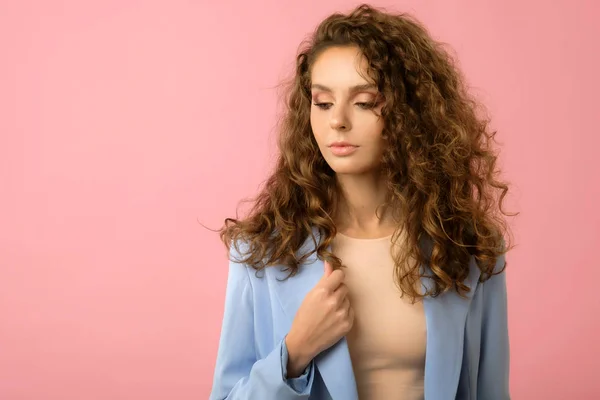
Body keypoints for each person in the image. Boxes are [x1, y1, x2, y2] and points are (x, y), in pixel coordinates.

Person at [209, 3, 513, 400]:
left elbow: (491, 392)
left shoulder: (467, 246)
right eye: (323, 102)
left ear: (411, 113)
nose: (338, 120)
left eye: (365, 101)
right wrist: (294, 353)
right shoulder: (263, 251)